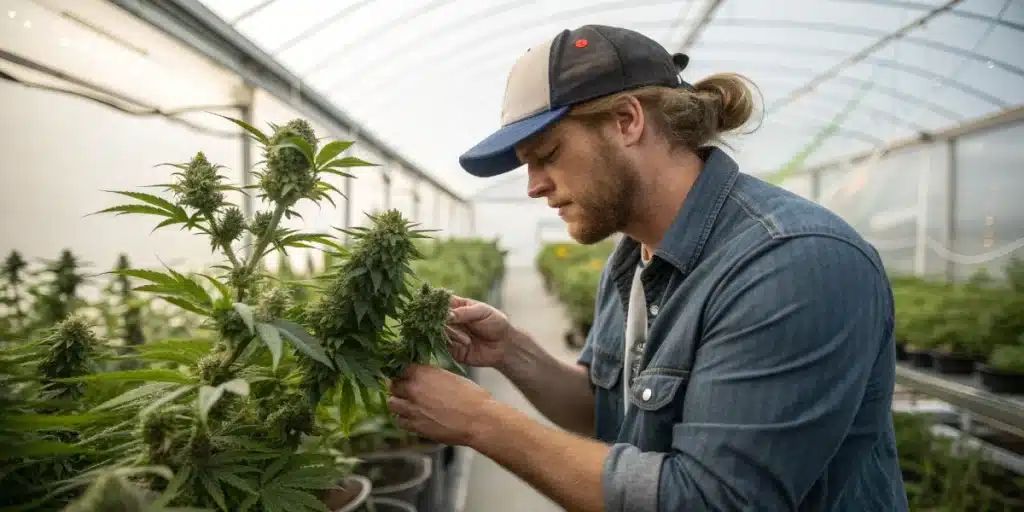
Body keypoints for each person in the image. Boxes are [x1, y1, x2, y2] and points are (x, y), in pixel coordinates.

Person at [386, 24, 909, 511]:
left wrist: (482, 422)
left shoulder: (792, 264)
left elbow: (712, 499)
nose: (534, 186)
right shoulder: (635, 256)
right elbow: (609, 412)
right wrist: (513, 353)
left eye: (546, 153)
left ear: (627, 121)